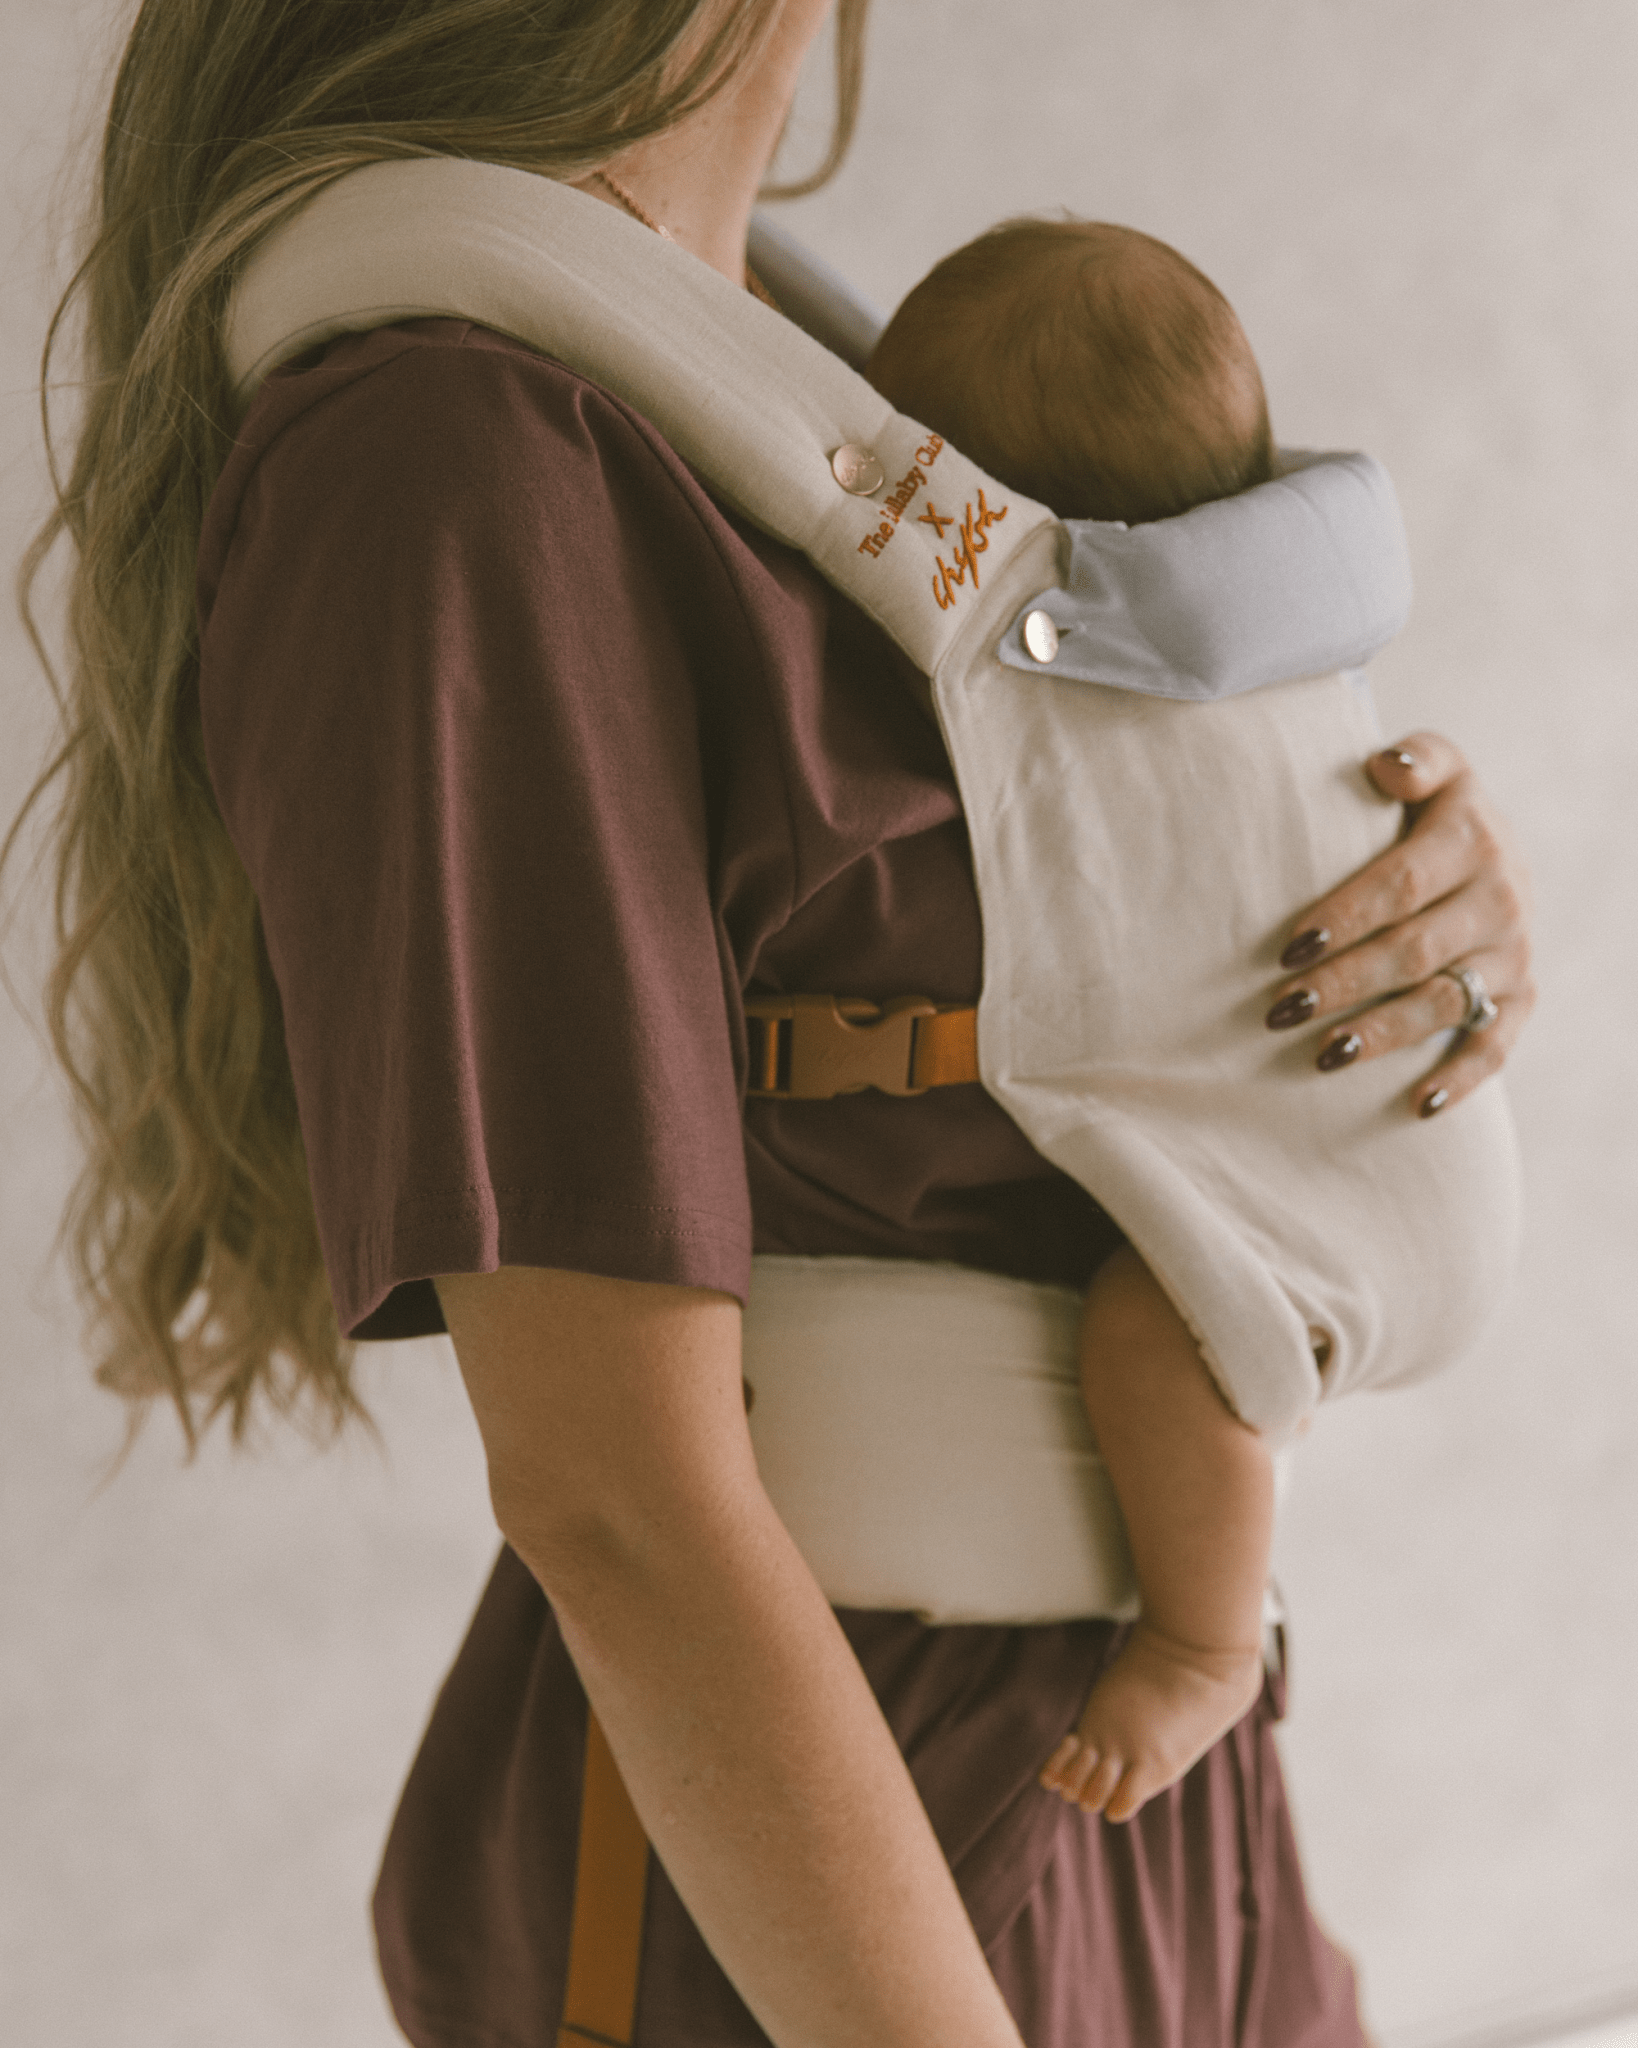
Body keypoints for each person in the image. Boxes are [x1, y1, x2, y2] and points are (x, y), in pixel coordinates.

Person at [7, 3, 1537, 2045]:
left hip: (1145, 1792)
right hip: (863, 1849)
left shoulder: (816, 412)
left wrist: (1359, 895)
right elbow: (619, 1507)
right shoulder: (455, 451)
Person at [863, 215, 1461, 1826]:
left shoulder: (1088, 673)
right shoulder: (1291, 612)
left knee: (1147, 1334)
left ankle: (1204, 1644)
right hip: (1404, 1138)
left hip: (1355, 1158)